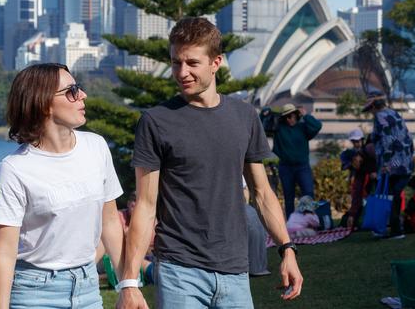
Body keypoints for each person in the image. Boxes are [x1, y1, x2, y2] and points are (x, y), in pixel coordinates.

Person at [116, 17, 302, 309]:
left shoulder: (245, 117)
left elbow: (263, 194)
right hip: (179, 270)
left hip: (235, 271)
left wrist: (287, 249)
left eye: (192, 63)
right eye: (176, 63)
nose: (182, 72)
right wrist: (129, 282)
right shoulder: (155, 122)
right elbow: (146, 205)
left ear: (215, 63)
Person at [0, 63, 125, 309]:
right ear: (43, 104)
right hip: (34, 293)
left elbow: (110, 222)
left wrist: (128, 285)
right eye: (72, 91)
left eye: (79, 88)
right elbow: (5, 250)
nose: (82, 95)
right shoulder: (15, 168)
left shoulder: (96, 147)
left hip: (88, 289)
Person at [364, 91, 414, 239]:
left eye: (370, 109)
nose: (370, 112)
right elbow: (407, 137)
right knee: (395, 196)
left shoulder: (380, 117)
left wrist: (386, 164)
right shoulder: (394, 113)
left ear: (373, 106)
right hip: (405, 163)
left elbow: (386, 141)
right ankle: (394, 229)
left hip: (392, 165)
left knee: (389, 197)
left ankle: (393, 230)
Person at [272, 103, 322, 219]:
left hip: (302, 167)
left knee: (308, 193)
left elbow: (317, 126)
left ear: (296, 115)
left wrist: (305, 115)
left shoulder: (303, 128)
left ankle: (311, 221)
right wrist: (267, 112)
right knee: (288, 197)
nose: (289, 119)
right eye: (286, 117)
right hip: (285, 167)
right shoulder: (279, 128)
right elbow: (264, 123)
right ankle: (290, 224)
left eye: (292, 116)